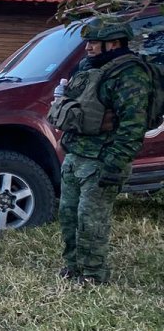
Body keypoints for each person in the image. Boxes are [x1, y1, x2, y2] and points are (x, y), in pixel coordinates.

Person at [57, 20, 152, 284]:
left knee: (91, 220)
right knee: (68, 215)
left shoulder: (130, 75)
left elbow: (133, 127)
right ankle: (73, 267)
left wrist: (114, 164)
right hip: (76, 156)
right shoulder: (89, 69)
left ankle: (93, 275)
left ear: (113, 44)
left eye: (94, 42)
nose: (88, 48)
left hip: (102, 159)